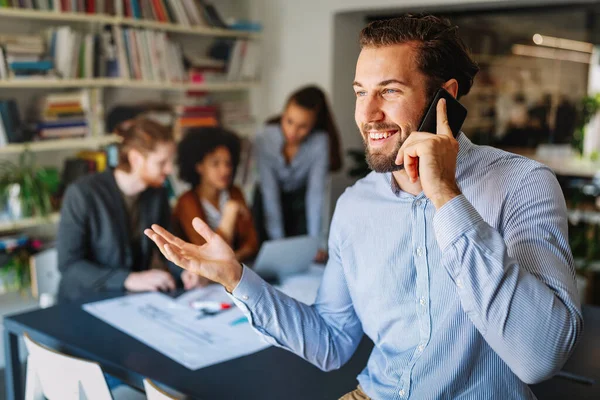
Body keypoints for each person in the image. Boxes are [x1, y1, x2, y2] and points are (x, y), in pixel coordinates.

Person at [146, 15, 582, 399]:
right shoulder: (355, 205)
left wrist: (446, 196)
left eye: (389, 91)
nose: (367, 114)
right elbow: (332, 342)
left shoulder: (523, 184)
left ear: (444, 98)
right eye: (360, 92)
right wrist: (236, 279)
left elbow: (539, 358)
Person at [57, 117, 190, 302]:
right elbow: (69, 265)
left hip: (130, 300)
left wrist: (185, 270)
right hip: (85, 300)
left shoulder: (156, 194)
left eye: (170, 162)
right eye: (161, 162)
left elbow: (166, 245)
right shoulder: (82, 194)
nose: (169, 170)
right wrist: (129, 279)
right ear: (135, 158)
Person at [252, 85, 343, 262]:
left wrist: (318, 243)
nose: (293, 132)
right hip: (268, 200)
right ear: (283, 114)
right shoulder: (264, 138)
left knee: (304, 255)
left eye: (303, 126)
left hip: (301, 202)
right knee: (268, 254)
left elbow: (316, 195)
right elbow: (270, 194)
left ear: (314, 125)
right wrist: (278, 245)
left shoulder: (320, 142)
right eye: (289, 121)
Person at [172, 127, 258, 288]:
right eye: (215, 163)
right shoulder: (187, 201)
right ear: (199, 167)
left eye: (228, 163)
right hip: (202, 281)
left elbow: (252, 243)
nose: (225, 170)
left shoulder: (235, 192)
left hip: (235, 275)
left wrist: (231, 259)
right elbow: (205, 251)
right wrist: (228, 217)